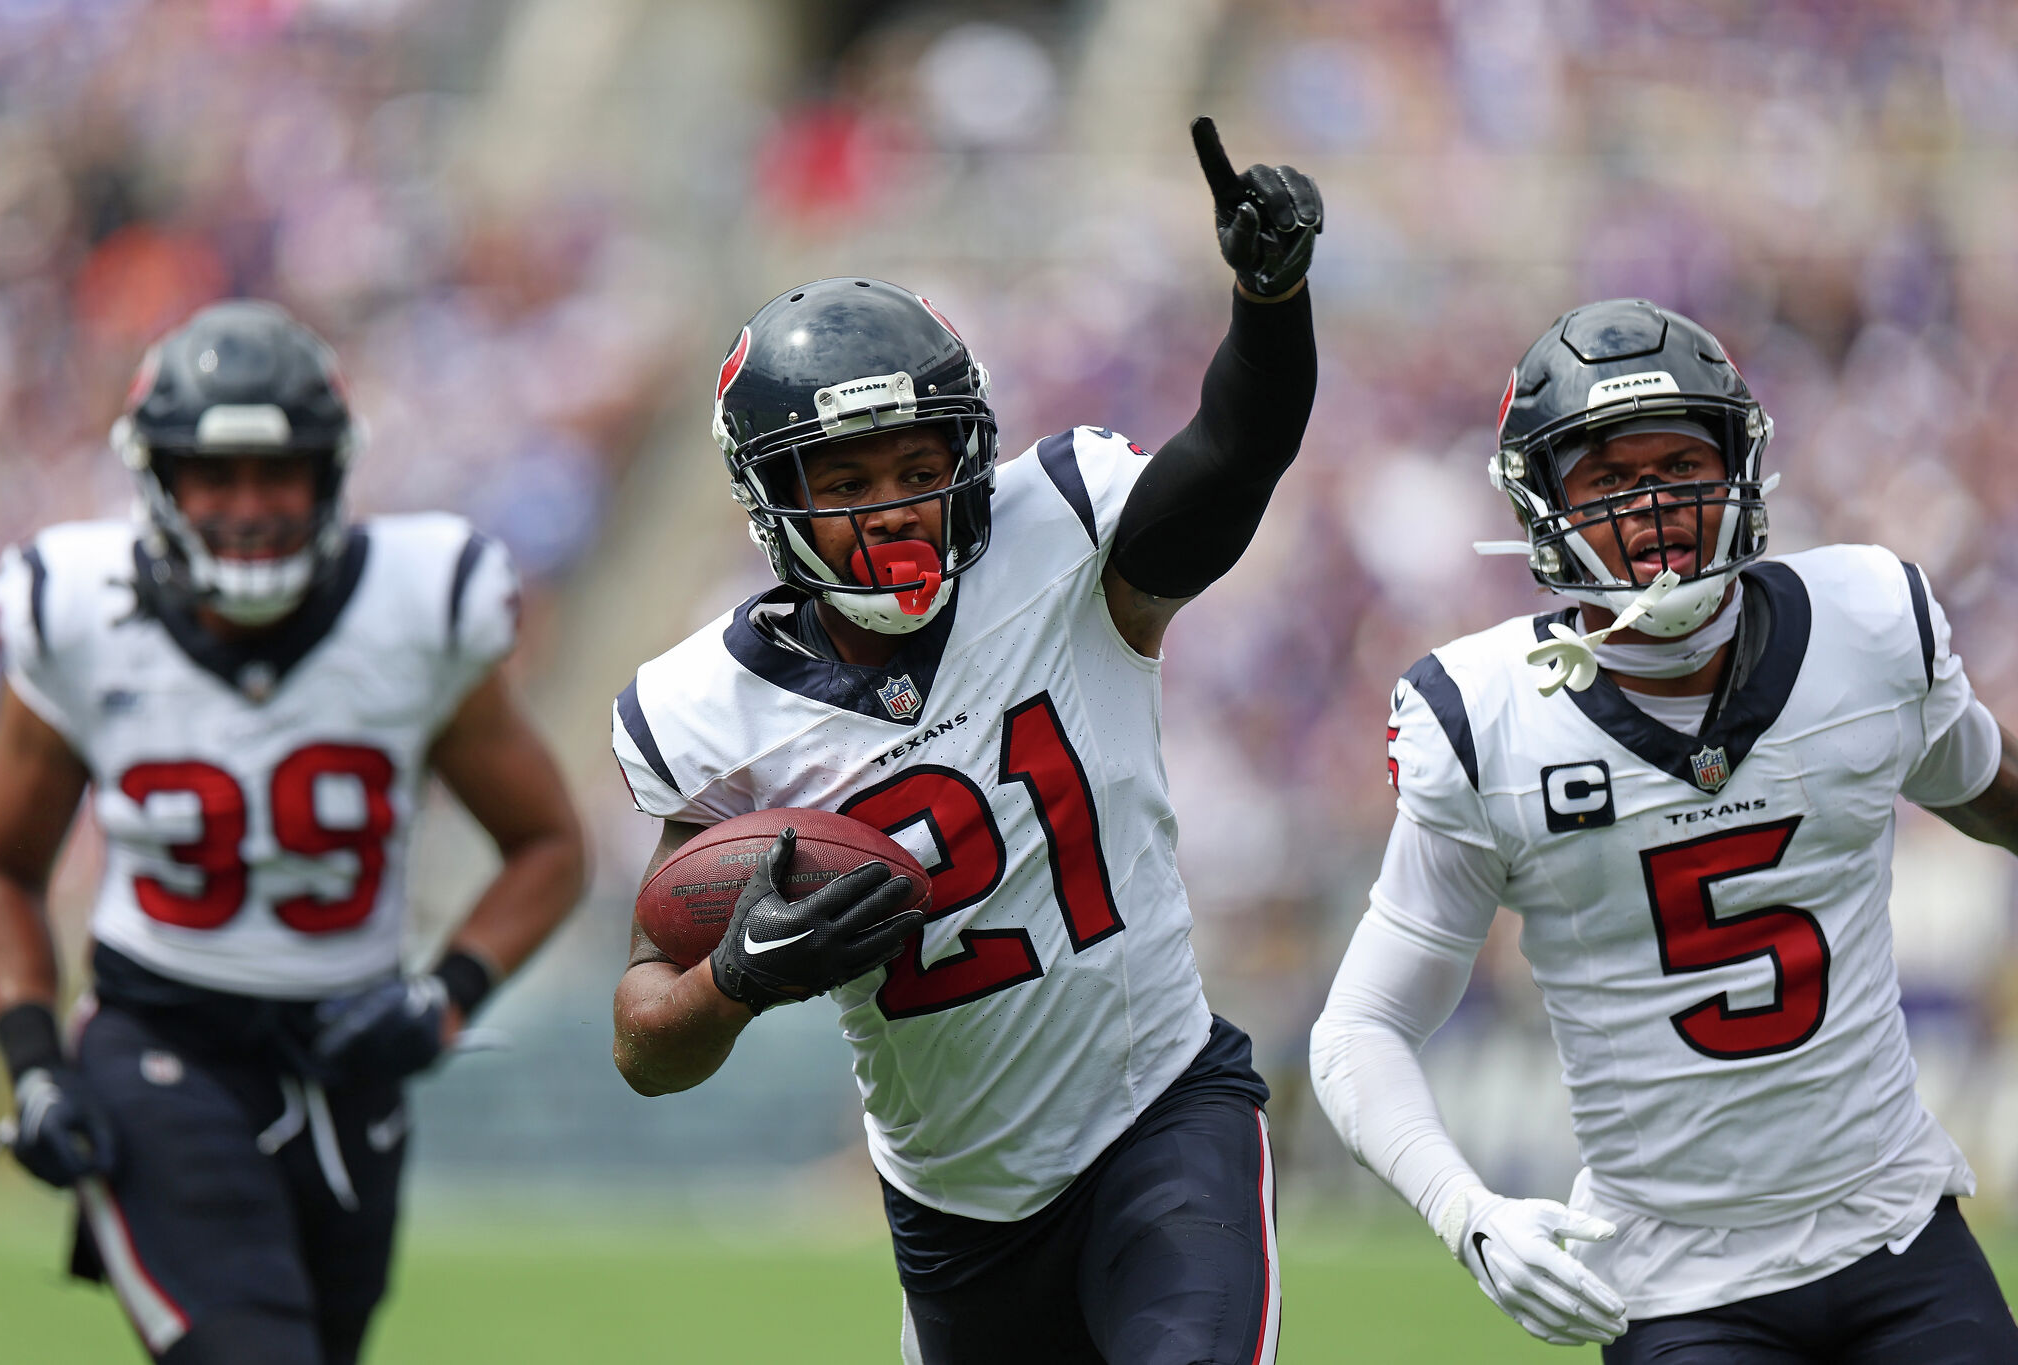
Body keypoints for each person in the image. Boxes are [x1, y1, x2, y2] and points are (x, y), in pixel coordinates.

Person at [609, 119, 1318, 1365]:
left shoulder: (1065, 547)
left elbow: (1234, 454)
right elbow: (643, 1044)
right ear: (775, 504)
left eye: (916, 462)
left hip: (1160, 1111)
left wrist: (1269, 304)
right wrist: (739, 977)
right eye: (845, 482)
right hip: (952, 1207)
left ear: (970, 455)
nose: (892, 504)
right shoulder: (710, 712)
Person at [1309, 297, 2018, 1361]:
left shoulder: (1868, 627)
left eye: (1679, 464)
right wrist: (1469, 1214)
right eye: (1609, 479)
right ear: (1540, 506)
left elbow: (1982, 780)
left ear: (1737, 469)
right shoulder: (1486, 720)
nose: (1655, 504)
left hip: (1892, 1227)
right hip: (1679, 1283)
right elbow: (1358, 1029)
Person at [0, 300, 586, 1365]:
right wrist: (33, 1063)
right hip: (160, 1042)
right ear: (158, 482)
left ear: (331, 474)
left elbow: (548, 845)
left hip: (351, 1061)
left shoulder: (416, 605)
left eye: (277, 473)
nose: (247, 507)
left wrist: (445, 999)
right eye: (213, 477)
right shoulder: (75, 610)